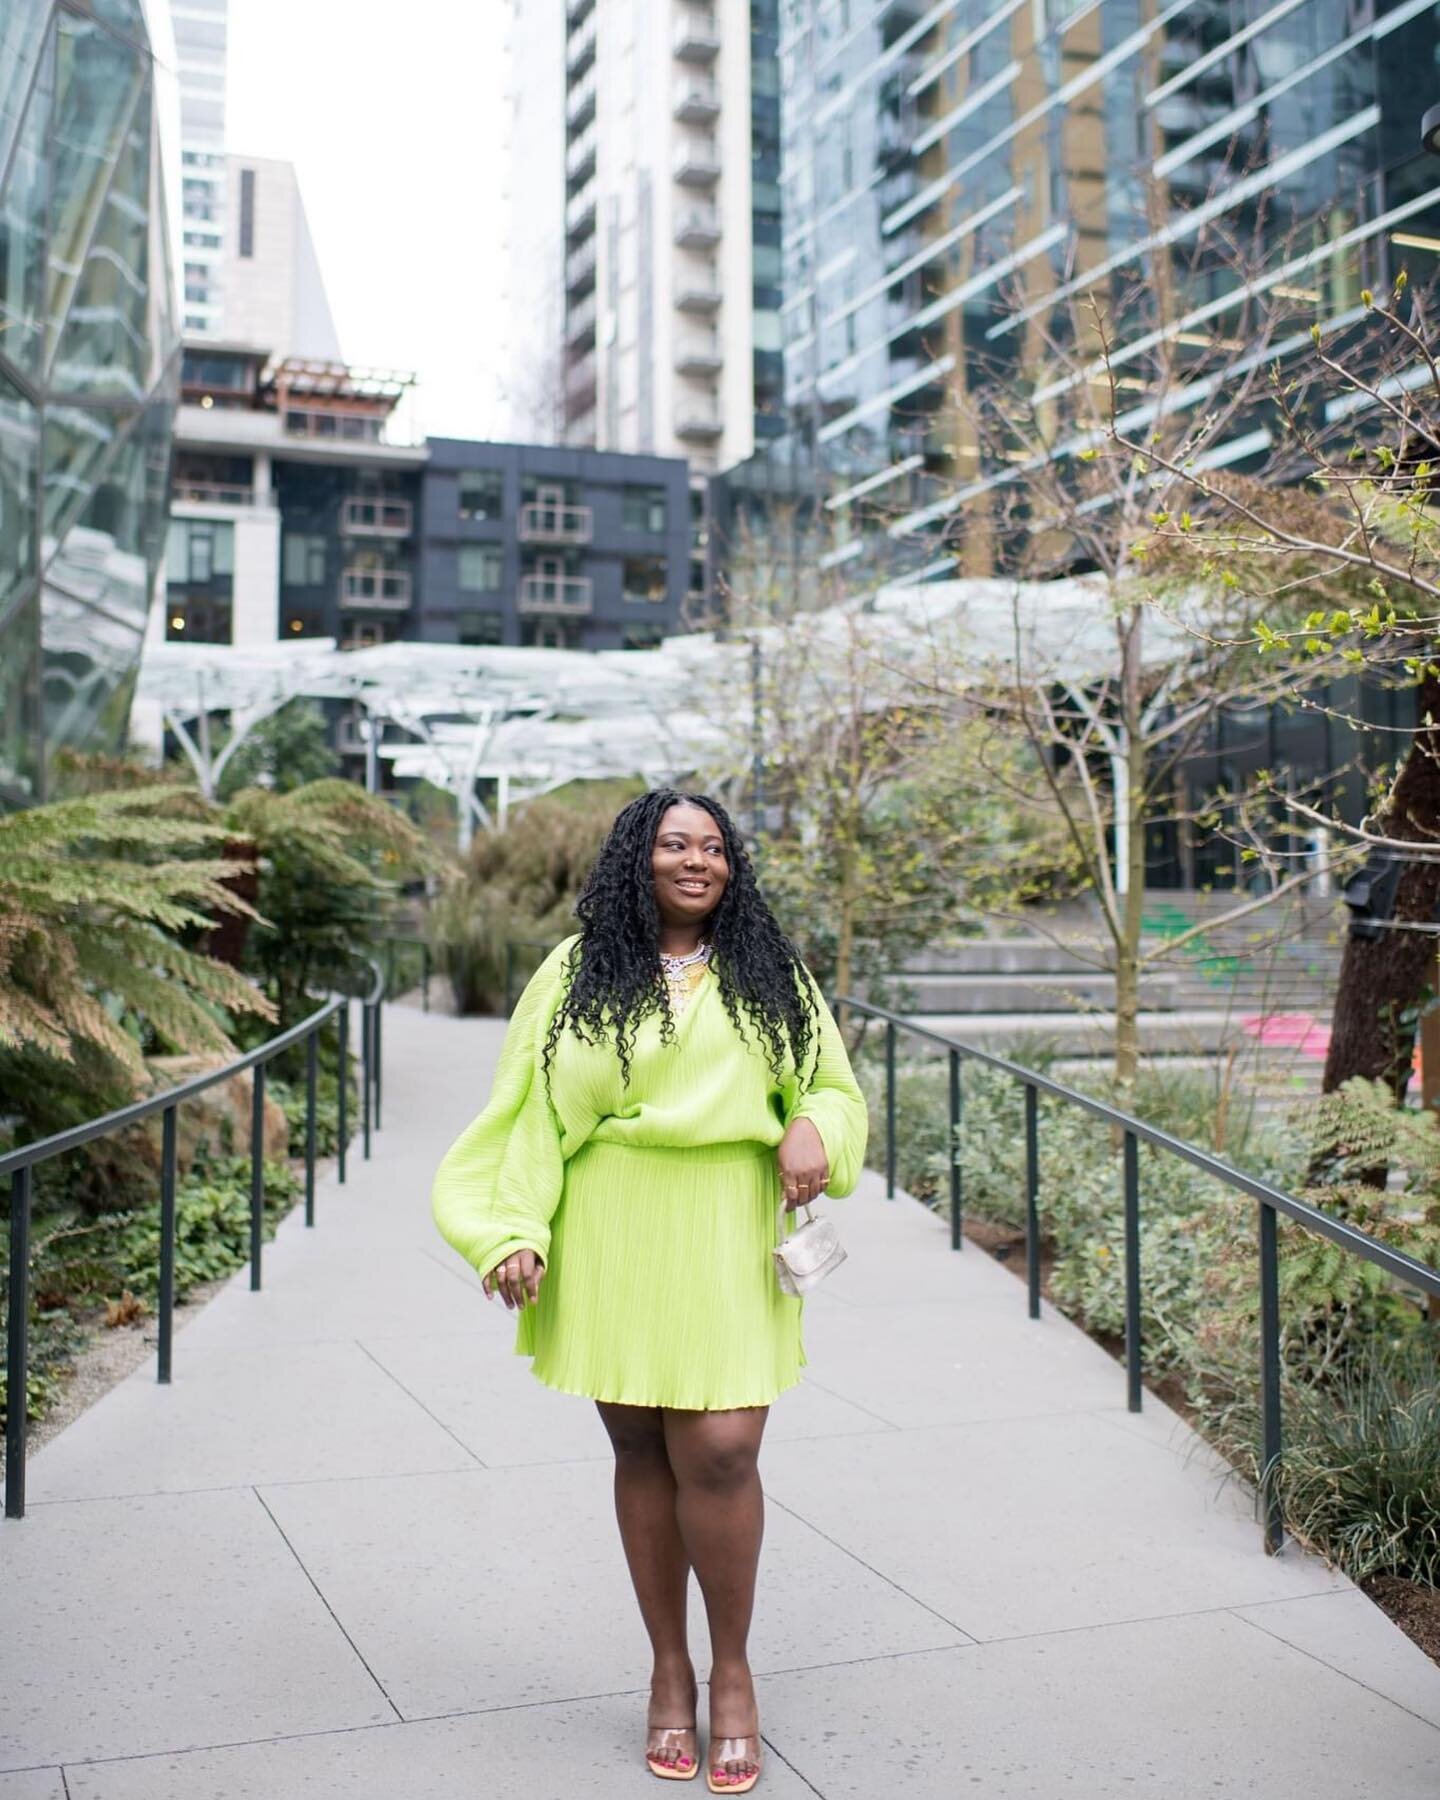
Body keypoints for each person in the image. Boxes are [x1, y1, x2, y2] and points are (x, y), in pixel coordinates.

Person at [431, 788, 868, 1794]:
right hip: (612, 1232)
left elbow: (833, 1089)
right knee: (640, 1447)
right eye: (676, 843)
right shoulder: (574, 971)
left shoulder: (773, 971)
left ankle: (732, 1672)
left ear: (732, 866)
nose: (696, 859)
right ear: (640, 858)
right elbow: (529, 1114)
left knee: (721, 1450)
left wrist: (814, 1128)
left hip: (726, 1229)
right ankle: (669, 1669)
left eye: (713, 846)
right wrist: (512, 1231)